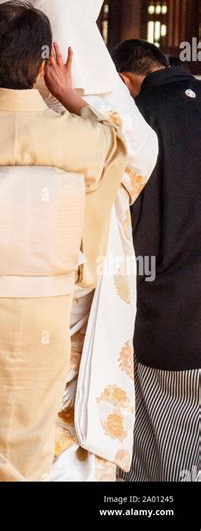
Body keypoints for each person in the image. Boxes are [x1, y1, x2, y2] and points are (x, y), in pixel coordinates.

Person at [0, 0, 158, 481]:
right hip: (85, 244)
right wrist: (81, 103)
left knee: (9, 365)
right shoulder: (95, 66)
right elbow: (138, 160)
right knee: (71, 371)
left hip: (5, 247)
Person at [0, 0, 128, 481]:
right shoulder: (78, 138)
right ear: (42, 64)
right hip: (45, 293)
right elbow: (117, 149)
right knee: (32, 415)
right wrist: (73, 97)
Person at [112, 39, 201, 481]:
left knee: (167, 446)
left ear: (126, 81)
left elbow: (128, 216)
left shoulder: (141, 118)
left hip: (169, 309)